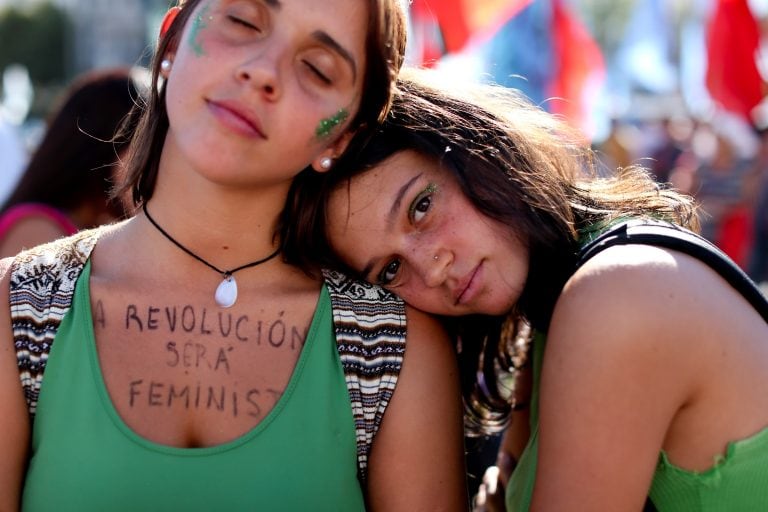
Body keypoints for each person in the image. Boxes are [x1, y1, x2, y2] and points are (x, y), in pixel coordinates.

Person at [0, 2, 468, 510]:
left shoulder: (392, 347)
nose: (263, 71)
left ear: (343, 135)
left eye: (317, 68)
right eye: (243, 21)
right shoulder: (15, 308)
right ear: (172, 42)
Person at [282, 69, 768, 510]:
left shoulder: (614, 295)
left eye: (421, 206)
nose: (430, 270)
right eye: (390, 270)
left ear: (478, 150)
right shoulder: (545, 319)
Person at [0, 67, 145, 258]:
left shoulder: (97, 223)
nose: (153, 161)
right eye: (144, 146)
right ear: (105, 144)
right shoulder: (37, 228)